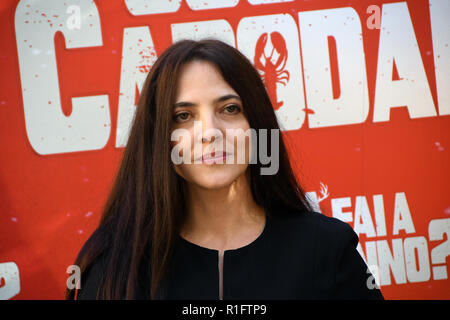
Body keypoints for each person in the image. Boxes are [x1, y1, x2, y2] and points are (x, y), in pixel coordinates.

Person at [65, 39, 384, 300]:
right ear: (159, 139)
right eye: (183, 116)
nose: (210, 132)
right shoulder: (115, 266)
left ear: (256, 124)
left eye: (229, 109)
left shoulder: (326, 249)